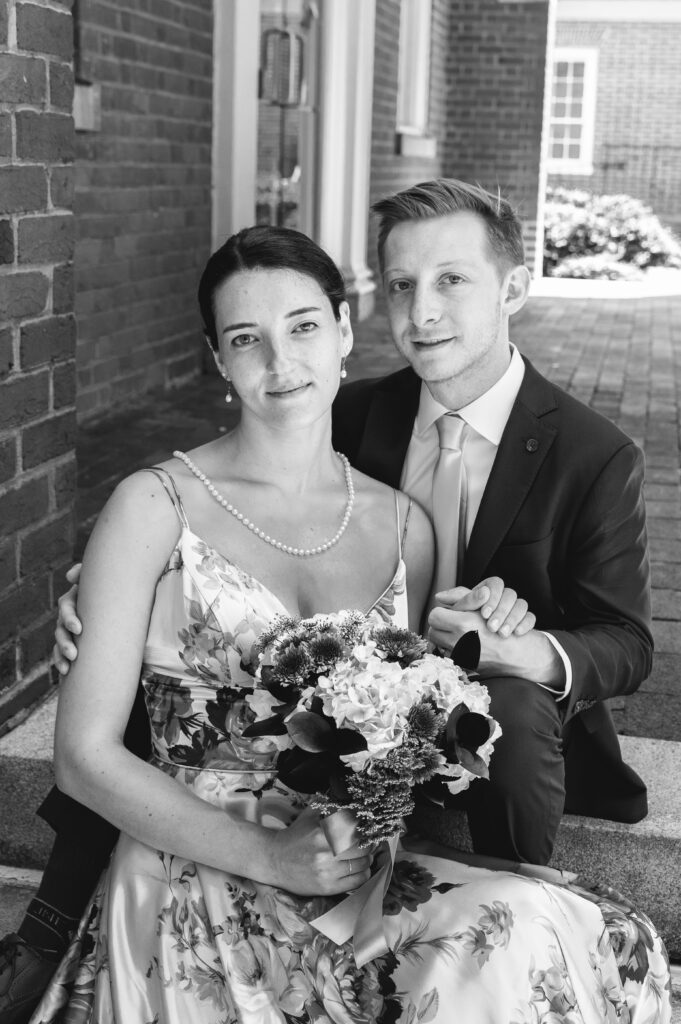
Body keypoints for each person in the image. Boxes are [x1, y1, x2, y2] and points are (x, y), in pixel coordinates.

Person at [3, 224, 672, 1023]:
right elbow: (81, 759)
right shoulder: (154, 505)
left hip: (354, 872)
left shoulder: (401, 526)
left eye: (304, 327)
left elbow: (424, 700)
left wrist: (500, 621)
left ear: (345, 331)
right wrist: (272, 855)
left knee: (538, 935)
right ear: (217, 358)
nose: (281, 363)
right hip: (197, 862)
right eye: (245, 338)